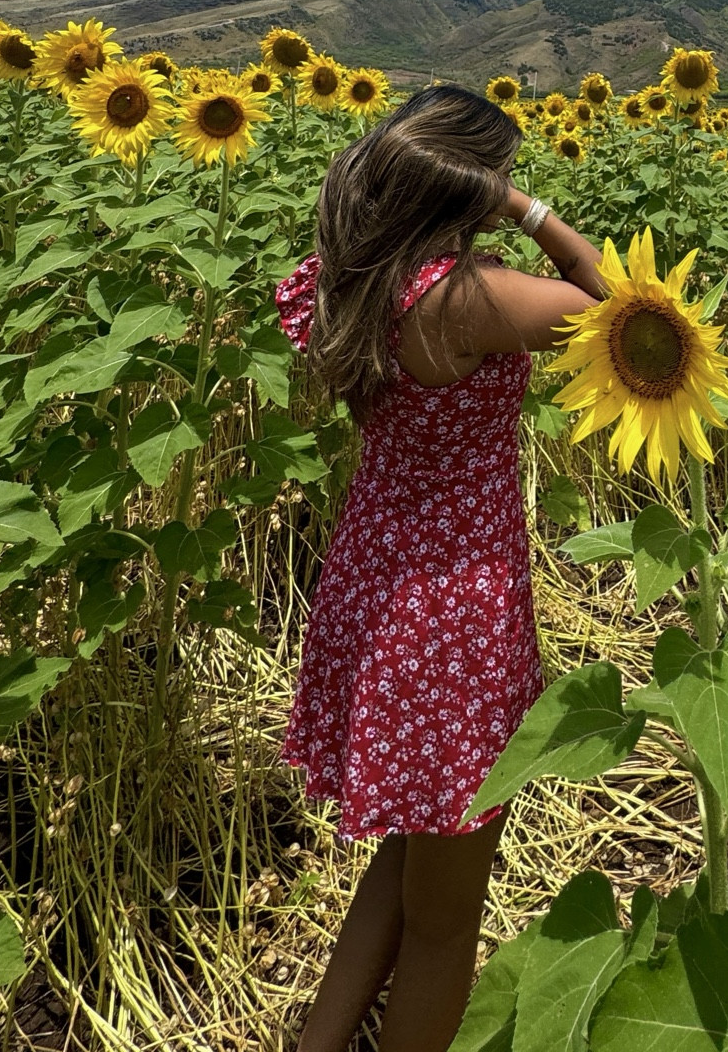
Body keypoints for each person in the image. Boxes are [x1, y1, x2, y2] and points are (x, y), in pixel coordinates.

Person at [273, 84, 606, 1052]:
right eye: (495, 172)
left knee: (409, 853)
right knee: (446, 920)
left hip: (378, 583)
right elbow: (611, 304)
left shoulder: (354, 274)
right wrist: (527, 210)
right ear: (467, 183)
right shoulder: (473, 297)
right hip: (452, 613)